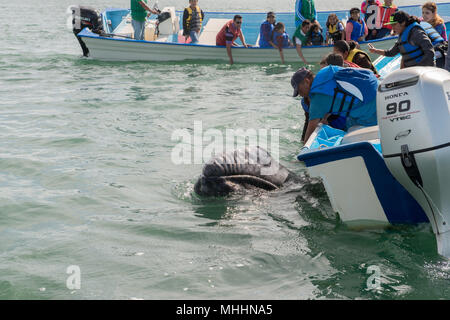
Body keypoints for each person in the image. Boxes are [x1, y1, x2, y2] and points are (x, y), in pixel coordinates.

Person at [291, 66, 379, 142]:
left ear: (306, 81)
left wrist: (302, 153)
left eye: (299, 90)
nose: (300, 94)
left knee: (348, 139)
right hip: (376, 86)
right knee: (348, 125)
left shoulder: (317, 99)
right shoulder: (325, 71)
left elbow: (310, 131)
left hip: (369, 108)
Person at [368, 11, 436, 68]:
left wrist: (419, 69)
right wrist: (375, 51)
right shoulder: (402, 36)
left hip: (424, 71)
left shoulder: (416, 32)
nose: (392, 28)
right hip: (413, 71)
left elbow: (430, 51)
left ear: (403, 22)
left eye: (394, 25)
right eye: (391, 25)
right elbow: (391, 53)